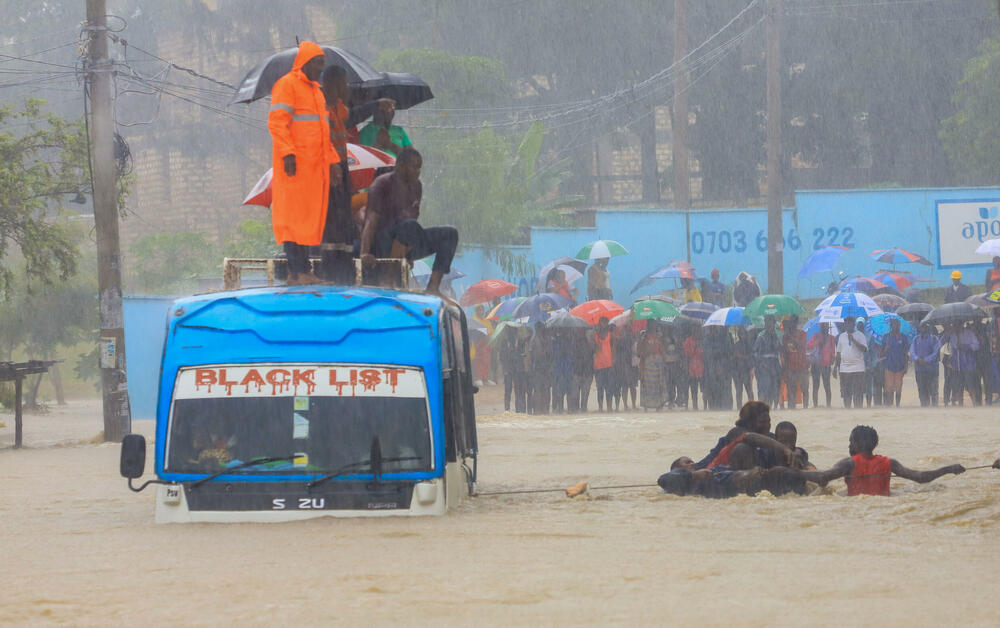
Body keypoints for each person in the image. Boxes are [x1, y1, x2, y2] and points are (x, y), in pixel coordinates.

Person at [268, 41, 341, 285]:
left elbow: (323, 133)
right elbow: (277, 123)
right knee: (293, 220)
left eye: (322, 63)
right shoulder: (287, 85)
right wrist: (288, 153)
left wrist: (334, 162)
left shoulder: (316, 92)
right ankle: (299, 271)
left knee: (305, 221)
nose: (321, 68)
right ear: (305, 62)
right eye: (318, 63)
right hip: (295, 167)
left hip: (313, 169)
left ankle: (299, 272)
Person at [319, 65, 395, 283]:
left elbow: (351, 117)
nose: (347, 88)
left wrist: (375, 105)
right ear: (333, 84)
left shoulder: (337, 107)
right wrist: (333, 164)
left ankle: (342, 270)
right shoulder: (321, 108)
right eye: (344, 83)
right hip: (329, 169)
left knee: (342, 220)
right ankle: (331, 270)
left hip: (341, 169)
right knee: (332, 222)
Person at [360, 147, 458, 295]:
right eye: (415, 167)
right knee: (409, 226)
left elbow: (413, 218)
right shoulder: (382, 183)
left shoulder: (417, 186)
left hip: (406, 238)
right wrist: (364, 252)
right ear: (401, 166)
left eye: (420, 168)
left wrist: (408, 250)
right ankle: (388, 277)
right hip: (382, 242)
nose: (418, 171)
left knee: (450, 233)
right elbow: (371, 220)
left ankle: (433, 287)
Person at [799, 425, 965, 496]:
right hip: (884, 503)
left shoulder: (849, 463)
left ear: (856, 443)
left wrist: (793, 472)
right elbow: (920, 477)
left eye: (850, 442)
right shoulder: (889, 462)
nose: (849, 445)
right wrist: (948, 469)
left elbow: (823, 477)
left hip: (855, 507)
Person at [694, 400, 800, 470]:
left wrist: (798, 454)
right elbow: (750, 437)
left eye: (769, 421)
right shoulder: (736, 433)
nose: (767, 426)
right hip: (720, 475)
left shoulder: (772, 439)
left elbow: (792, 450)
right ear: (749, 423)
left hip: (758, 477)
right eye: (762, 422)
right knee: (743, 448)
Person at [833, 316, 867, 408]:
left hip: (858, 368)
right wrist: (835, 367)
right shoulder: (841, 336)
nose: (848, 326)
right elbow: (839, 353)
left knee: (858, 392)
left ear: (853, 324)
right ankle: (847, 412)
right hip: (844, 369)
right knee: (846, 393)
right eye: (846, 324)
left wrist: (853, 340)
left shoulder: (860, 335)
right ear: (844, 325)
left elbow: (864, 349)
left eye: (850, 323)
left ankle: (858, 411)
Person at [945, 322, 982, 406]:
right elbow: (950, 349)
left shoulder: (969, 334)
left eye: (958, 324)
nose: (956, 326)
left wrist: (965, 346)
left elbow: (977, 345)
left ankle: (975, 405)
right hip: (956, 366)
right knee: (958, 387)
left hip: (968, 366)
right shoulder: (952, 336)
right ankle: (961, 406)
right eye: (955, 325)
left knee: (971, 386)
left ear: (962, 324)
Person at [752, 315, 782, 407]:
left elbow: (779, 350)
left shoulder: (777, 336)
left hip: (775, 365)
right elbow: (755, 353)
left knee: (775, 387)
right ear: (765, 324)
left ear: (773, 324)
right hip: (764, 367)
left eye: (771, 323)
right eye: (767, 323)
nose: (769, 325)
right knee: (765, 387)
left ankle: (774, 406)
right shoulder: (761, 336)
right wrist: (762, 363)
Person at [781, 315, 809, 410]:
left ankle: (805, 408)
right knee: (790, 389)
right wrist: (784, 369)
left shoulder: (803, 334)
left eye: (793, 323)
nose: (792, 325)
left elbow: (801, 347)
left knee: (804, 389)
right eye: (790, 323)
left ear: (796, 323)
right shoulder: (785, 337)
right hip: (790, 367)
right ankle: (791, 408)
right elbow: (784, 353)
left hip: (802, 366)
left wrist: (792, 339)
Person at [910, 321, 941, 407]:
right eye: (922, 327)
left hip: (932, 369)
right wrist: (917, 359)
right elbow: (912, 352)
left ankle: (935, 408)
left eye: (926, 326)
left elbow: (936, 352)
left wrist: (926, 360)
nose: (924, 328)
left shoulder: (934, 339)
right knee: (922, 390)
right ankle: (924, 409)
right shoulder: (916, 339)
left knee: (934, 391)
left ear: (929, 328)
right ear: (920, 328)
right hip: (920, 370)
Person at [701, 325, 733, 410]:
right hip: (711, 368)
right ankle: (714, 406)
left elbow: (727, 353)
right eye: (712, 328)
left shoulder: (725, 338)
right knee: (712, 389)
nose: (713, 330)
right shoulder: (707, 339)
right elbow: (706, 354)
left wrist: (720, 365)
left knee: (723, 388)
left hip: (722, 367)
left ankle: (722, 406)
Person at [806, 322, 836, 407]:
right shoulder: (816, 336)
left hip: (826, 364)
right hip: (816, 364)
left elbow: (833, 351)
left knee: (827, 386)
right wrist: (817, 343)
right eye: (823, 326)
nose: (824, 328)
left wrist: (832, 358)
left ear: (828, 327)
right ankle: (815, 405)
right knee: (816, 386)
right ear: (820, 327)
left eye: (826, 326)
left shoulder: (831, 338)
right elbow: (808, 346)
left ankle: (828, 405)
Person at [881, 317, 909, 407]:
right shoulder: (886, 337)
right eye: (894, 325)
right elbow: (881, 353)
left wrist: (906, 366)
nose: (896, 327)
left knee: (898, 387)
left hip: (900, 366)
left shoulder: (903, 337)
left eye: (898, 325)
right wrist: (885, 350)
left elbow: (906, 353)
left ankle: (897, 405)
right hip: (889, 365)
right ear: (891, 326)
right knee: (888, 387)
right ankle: (888, 404)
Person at [638, 327, 667, 410]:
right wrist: (648, 350)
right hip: (647, 365)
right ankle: (646, 405)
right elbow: (639, 353)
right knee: (647, 386)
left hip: (657, 365)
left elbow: (662, 351)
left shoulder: (659, 339)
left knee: (658, 385)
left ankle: (659, 405)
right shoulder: (643, 339)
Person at [591, 317, 615, 412]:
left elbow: (614, 349)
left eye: (605, 322)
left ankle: (609, 407)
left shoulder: (610, 335)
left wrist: (613, 361)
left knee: (609, 387)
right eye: (602, 322)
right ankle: (600, 407)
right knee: (600, 387)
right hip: (598, 366)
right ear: (599, 324)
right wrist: (596, 345)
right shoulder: (595, 336)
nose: (604, 324)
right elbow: (593, 350)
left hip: (609, 364)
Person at [529, 322, 552, 414]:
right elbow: (536, 355)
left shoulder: (540, 339)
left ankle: (542, 410)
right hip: (540, 368)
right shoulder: (536, 340)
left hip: (542, 368)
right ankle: (540, 410)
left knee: (542, 390)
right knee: (541, 390)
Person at [613, 325, 637, 410]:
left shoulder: (628, 341)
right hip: (625, 366)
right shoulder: (622, 341)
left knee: (629, 386)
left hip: (628, 366)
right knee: (628, 386)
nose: (626, 333)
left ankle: (629, 405)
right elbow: (618, 354)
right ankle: (628, 405)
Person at [572, 327, 595, 411]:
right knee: (576, 393)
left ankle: (583, 408)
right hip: (578, 371)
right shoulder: (574, 342)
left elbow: (594, 351)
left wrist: (591, 342)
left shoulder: (590, 341)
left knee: (585, 393)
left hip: (587, 371)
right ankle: (577, 408)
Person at [731, 327, 755, 407]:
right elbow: (732, 358)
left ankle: (752, 407)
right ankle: (739, 407)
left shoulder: (749, 345)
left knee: (749, 391)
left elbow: (751, 357)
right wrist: (735, 356)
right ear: (738, 335)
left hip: (746, 370)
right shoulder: (736, 345)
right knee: (739, 391)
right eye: (740, 334)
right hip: (737, 371)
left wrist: (741, 356)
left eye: (743, 334)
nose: (742, 336)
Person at [683, 326, 705, 410]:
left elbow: (705, 354)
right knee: (693, 388)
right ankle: (694, 406)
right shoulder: (688, 341)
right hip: (691, 368)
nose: (696, 333)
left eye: (698, 331)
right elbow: (687, 354)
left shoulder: (702, 340)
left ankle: (705, 406)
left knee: (703, 389)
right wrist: (695, 347)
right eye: (695, 331)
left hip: (701, 368)